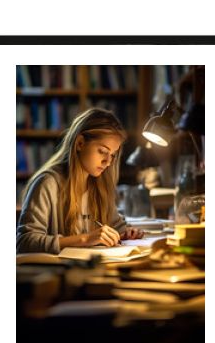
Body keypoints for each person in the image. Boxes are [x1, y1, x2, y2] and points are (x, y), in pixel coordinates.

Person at [16, 107, 144, 254]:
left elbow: (116, 225)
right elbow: (24, 242)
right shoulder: (48, 183)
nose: (108, 162)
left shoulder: (99, 185)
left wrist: (127, 232)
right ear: (80, 143)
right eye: (102, 151)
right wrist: (85, 239)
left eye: (113, 155)